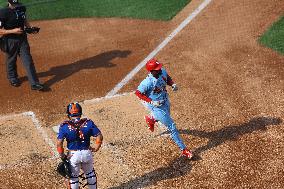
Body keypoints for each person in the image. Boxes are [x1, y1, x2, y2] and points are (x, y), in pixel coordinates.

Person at [135, 58, 193, 159]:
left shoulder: (162, 72)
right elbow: (138, 93)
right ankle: (184, 150)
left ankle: (151, 119)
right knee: (172, 126)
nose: (160, 69)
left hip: (165, 101)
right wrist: (151, 101)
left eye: (159, 68)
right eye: (157, 69)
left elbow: (167, 77)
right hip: (156, 107)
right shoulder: (147, 82)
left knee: (166, 117)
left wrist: (172, 84)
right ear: (151, 71)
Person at [57, 102, 103, 189]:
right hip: (87, 153)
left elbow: (59, 143)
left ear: (69, 114)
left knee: (73, 178)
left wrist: (62, 156)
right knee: (90, 174)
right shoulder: (88, 122)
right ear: (80, 113)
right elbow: (99, 136)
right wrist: (96, 148)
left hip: (73, 155)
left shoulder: (64, 126)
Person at [0, 0, 44, 90]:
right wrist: (12, 31)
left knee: (28, 60)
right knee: (11, 59)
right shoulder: (3, 13)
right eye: (14, 4)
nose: (16, 5)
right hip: (10, 40)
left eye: (16, 3)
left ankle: (34, 83)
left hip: (22, 39)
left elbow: (24, 19)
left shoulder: (22, 8)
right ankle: (12, 78)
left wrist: (30, 29)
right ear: (9, 2)